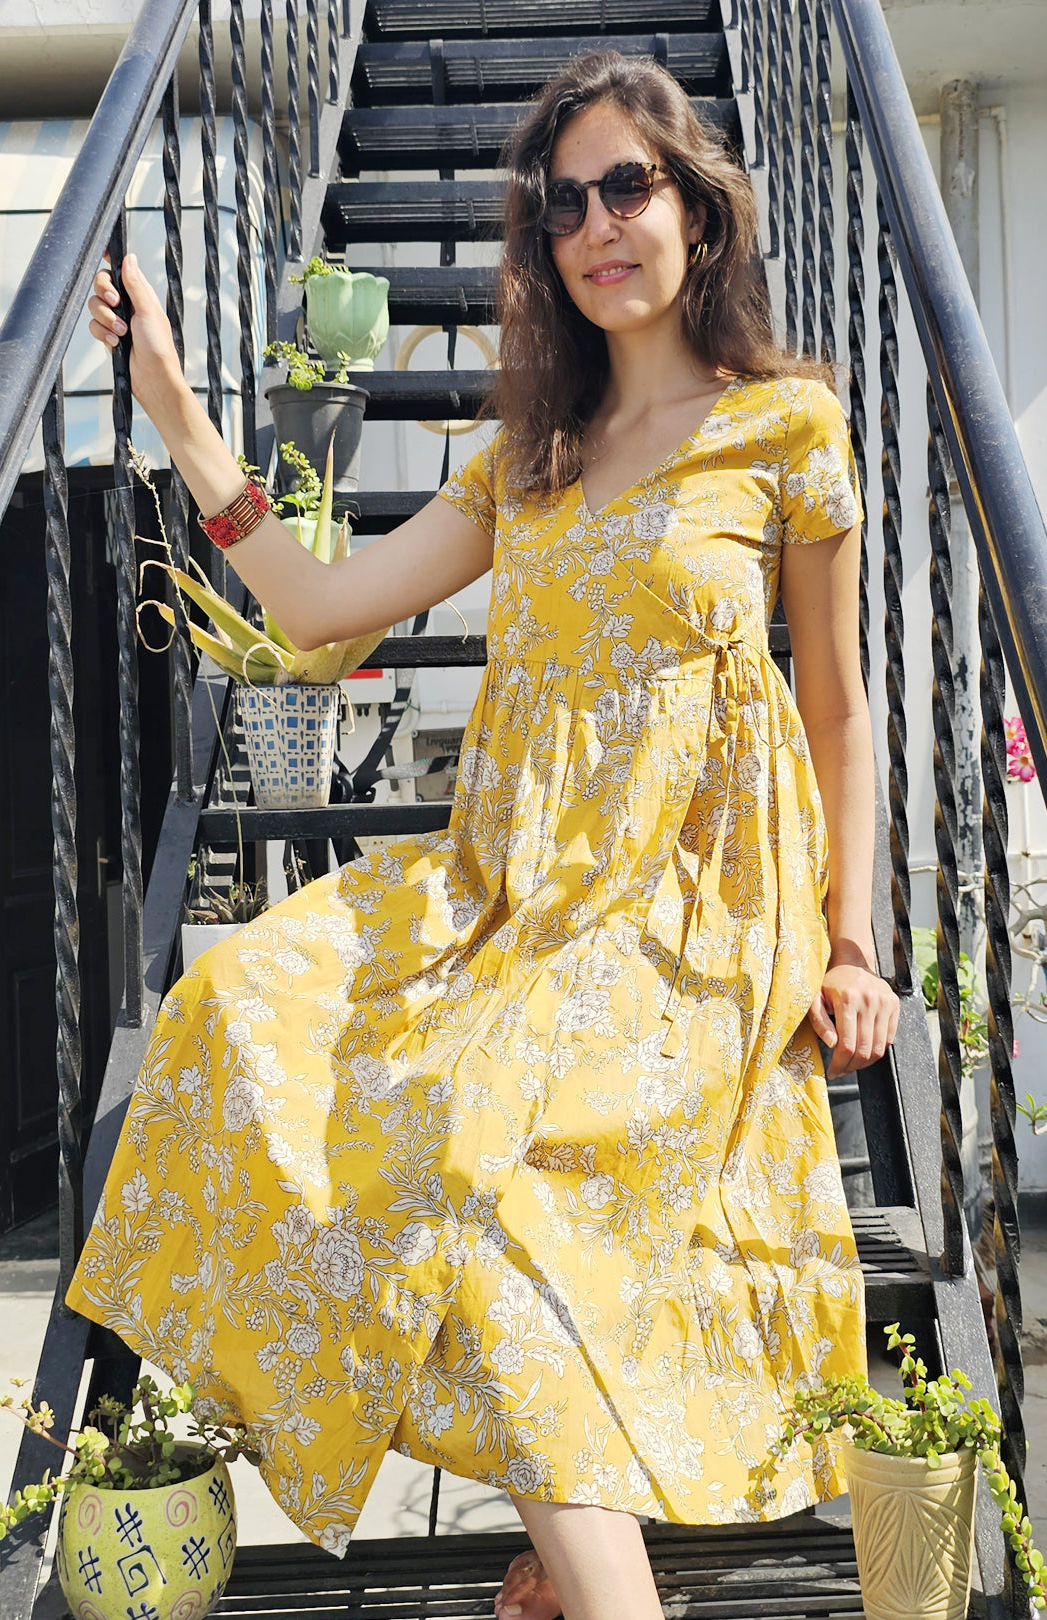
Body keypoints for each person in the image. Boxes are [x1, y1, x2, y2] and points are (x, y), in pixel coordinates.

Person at [73, 49, 899, 1620]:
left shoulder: (787, 428)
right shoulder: (529, 462)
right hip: (507, 896)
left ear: (696, 210)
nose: (598, 222)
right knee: (236, 1014)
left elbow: (842, 708)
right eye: (564, 199)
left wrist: (854, 945)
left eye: (628, 186)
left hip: (691, 921)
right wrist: (176, 402)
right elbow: (321, 607)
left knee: (493, 1188)